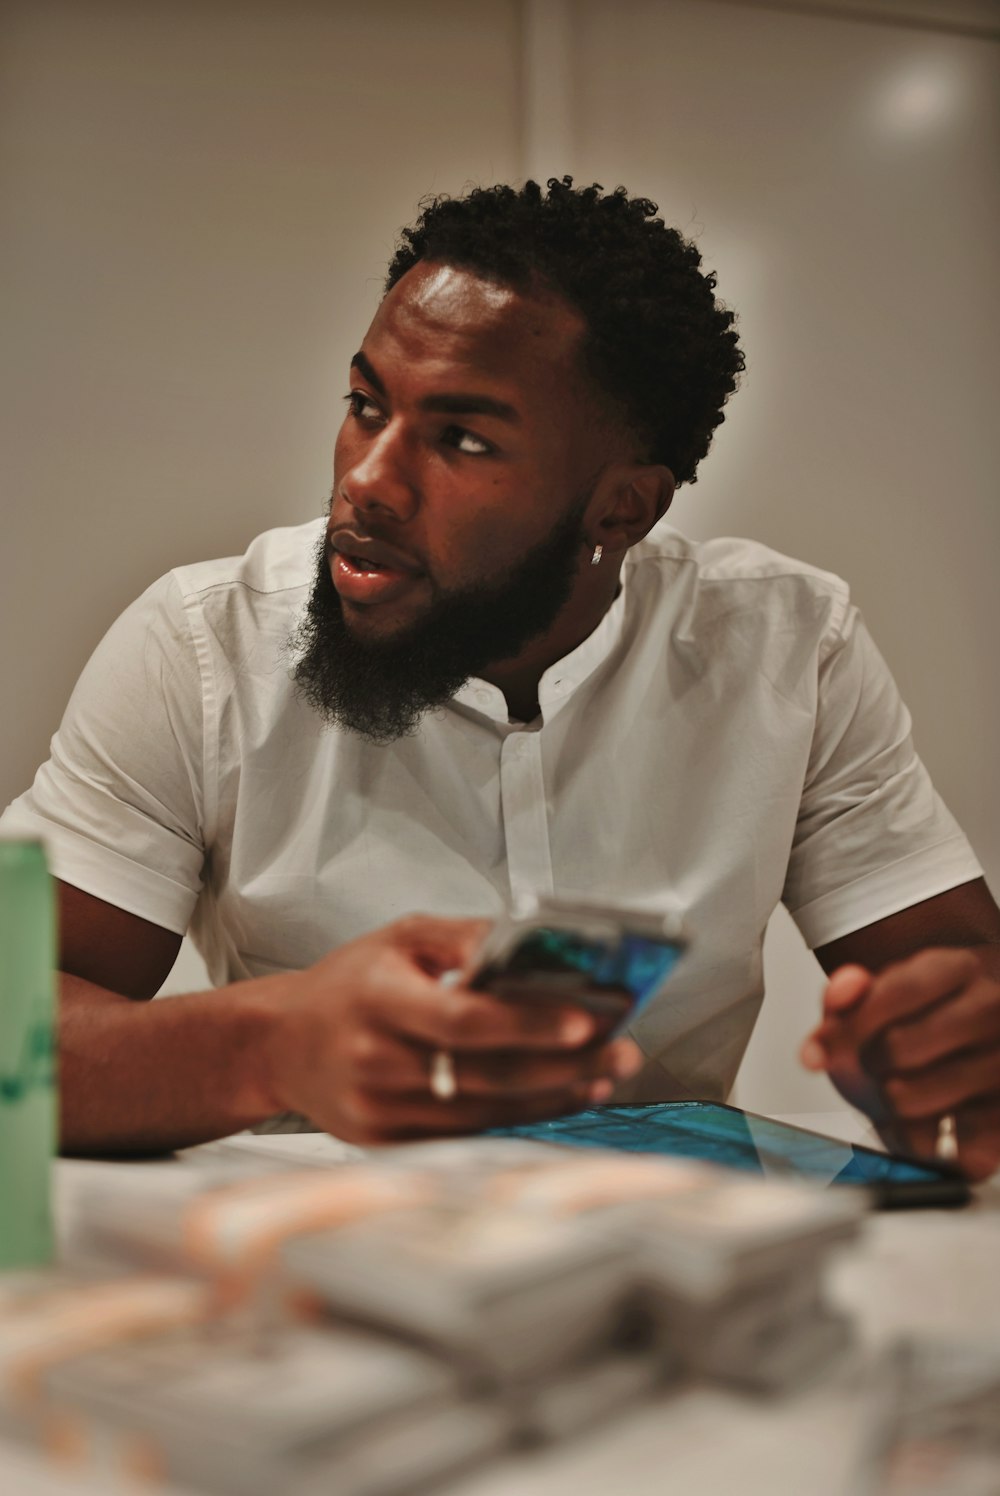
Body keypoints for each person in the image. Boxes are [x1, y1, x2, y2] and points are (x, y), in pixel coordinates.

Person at [3, 179, 999, 1176]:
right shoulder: (204, 645)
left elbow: (961, 1007)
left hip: (667, 1278)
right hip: (321, 1277)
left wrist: (947, 1071)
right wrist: (269, 1040)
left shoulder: (789, 649)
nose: (368, 479)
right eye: (365, 405)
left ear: (621, 509)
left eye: (463, 439)